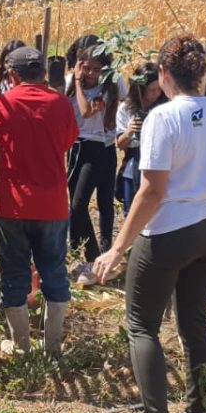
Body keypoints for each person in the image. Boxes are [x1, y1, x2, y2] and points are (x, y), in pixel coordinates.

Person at [93, 36, 206, 413]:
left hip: (169, 233)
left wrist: (117, 248)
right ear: (202, 73)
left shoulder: (162, 118)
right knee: (195, 324)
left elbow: (152, 191)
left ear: (164, 74)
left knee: (142, 326)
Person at [0, 46, 78, 355]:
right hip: (52, 205)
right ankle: (52, 347)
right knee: (54, 272)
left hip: (12, 204)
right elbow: (67, 142)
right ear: (43, 73)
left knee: (13, 273)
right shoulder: (62, 104)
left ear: (12, 74)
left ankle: (22, 346)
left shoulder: (1, 104)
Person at [66, 43, 122, 287]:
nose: (90, 74)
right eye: (86, 68)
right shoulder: (70, 82)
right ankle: (83, 250)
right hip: (77, 147)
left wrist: (78, 82)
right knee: (73, 202)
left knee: (80, 205)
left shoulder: (106, 88)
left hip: (98, 147)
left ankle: (94, 261)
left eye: (96, 69)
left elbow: (86, 111)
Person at [115, 62, 167, 214]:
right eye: (151, 90)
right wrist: (130, 131)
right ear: (140, 88)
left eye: (159, 89)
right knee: (132, 212)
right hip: (133, 166)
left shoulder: (165, 108)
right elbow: (121, 144)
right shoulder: (126, 108)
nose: (156, 93)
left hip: (159, 166)